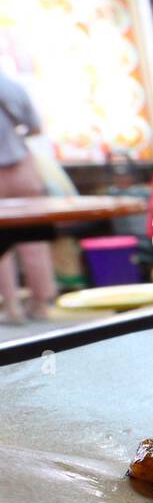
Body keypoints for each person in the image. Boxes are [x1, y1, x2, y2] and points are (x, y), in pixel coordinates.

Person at [0, 71, 57, 323]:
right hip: (23, 168)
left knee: (2, 245)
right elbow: (35, 127)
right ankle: (40, 304)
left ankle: (11, 306)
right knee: (34, 238)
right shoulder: (12, 86)